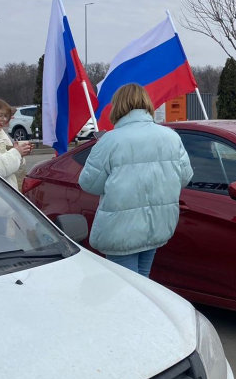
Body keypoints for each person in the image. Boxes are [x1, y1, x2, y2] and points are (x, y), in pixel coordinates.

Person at [79, 84, 194, 277]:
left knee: (127, 290)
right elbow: (185, 177)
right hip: (156, 225)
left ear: (118, 106)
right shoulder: (171, 137)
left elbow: (89, 184)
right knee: (143, 281)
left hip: (121, 229)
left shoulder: (110, 141)